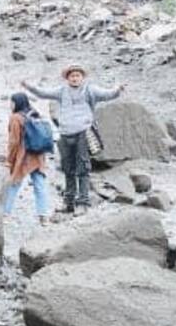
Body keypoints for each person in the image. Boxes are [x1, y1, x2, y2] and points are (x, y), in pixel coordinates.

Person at [22, 65, 124, 215]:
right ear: (67, 78)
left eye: (78, 75)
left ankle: (83, 202)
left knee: (83, 167)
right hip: (65, 133)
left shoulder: (90, 90)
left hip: (83, 132)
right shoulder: (61, 91)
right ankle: (69, 202)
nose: (75, 78)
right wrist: (28, 86)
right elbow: (43, 93)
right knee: (67, 168)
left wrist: (117, 89)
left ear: (82, 77)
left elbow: (108, 94)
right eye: (72, 76)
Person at [1, 92, 51, 226]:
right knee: (40, 186)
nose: (10, 105)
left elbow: (14, 141)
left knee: (14, 184)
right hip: (39, 155)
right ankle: (43, 216)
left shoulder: (16, 118)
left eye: (12, 102)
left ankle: (6, 214)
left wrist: (9, 160)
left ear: (16, 103)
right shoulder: (34, 113)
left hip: (24, 157)